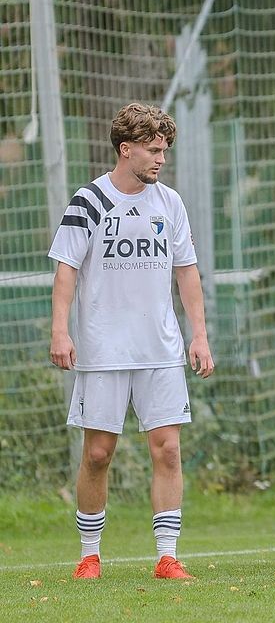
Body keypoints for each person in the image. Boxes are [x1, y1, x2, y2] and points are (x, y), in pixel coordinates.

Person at [49, 103, 215, 580]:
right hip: (103, 350)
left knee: (167, 449)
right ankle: (89, 555)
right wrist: (60, 330)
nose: (161, 159)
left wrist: (198, 335)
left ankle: (167, 556)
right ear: (126, 150)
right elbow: (66, 272)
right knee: (98, 453)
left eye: (164, 149)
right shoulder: (89, 201)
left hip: (160, 350)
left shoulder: (170, 203)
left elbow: (187, 272)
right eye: (153, 149)